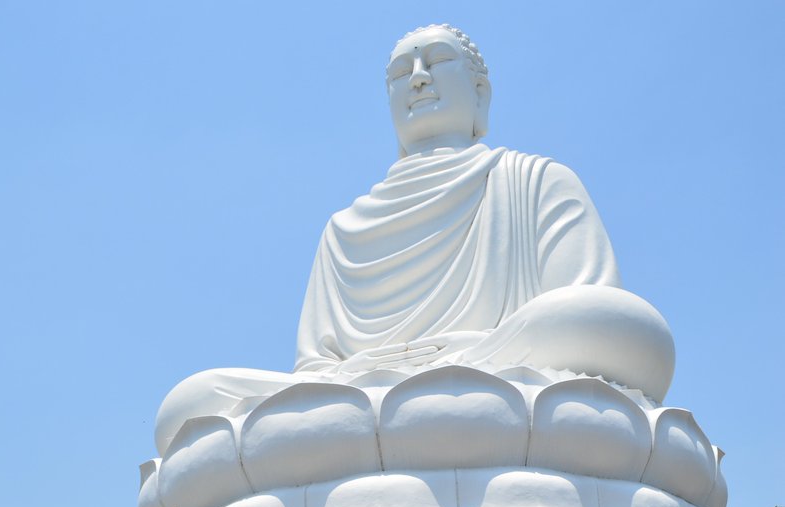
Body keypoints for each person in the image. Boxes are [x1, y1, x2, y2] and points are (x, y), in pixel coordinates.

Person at [155, 24, 674, 454]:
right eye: (401, 73)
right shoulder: (343, 229)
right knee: (187, 407)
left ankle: (420, 396)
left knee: (618, 327)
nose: (419, 79)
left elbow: (591, 316)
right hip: (384, 397)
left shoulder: (534, 180)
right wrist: (378, 376)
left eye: (436, 62)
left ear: (480, 94)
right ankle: (420, 397)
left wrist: (461, 356)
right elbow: (317, 371)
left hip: (504, 379)